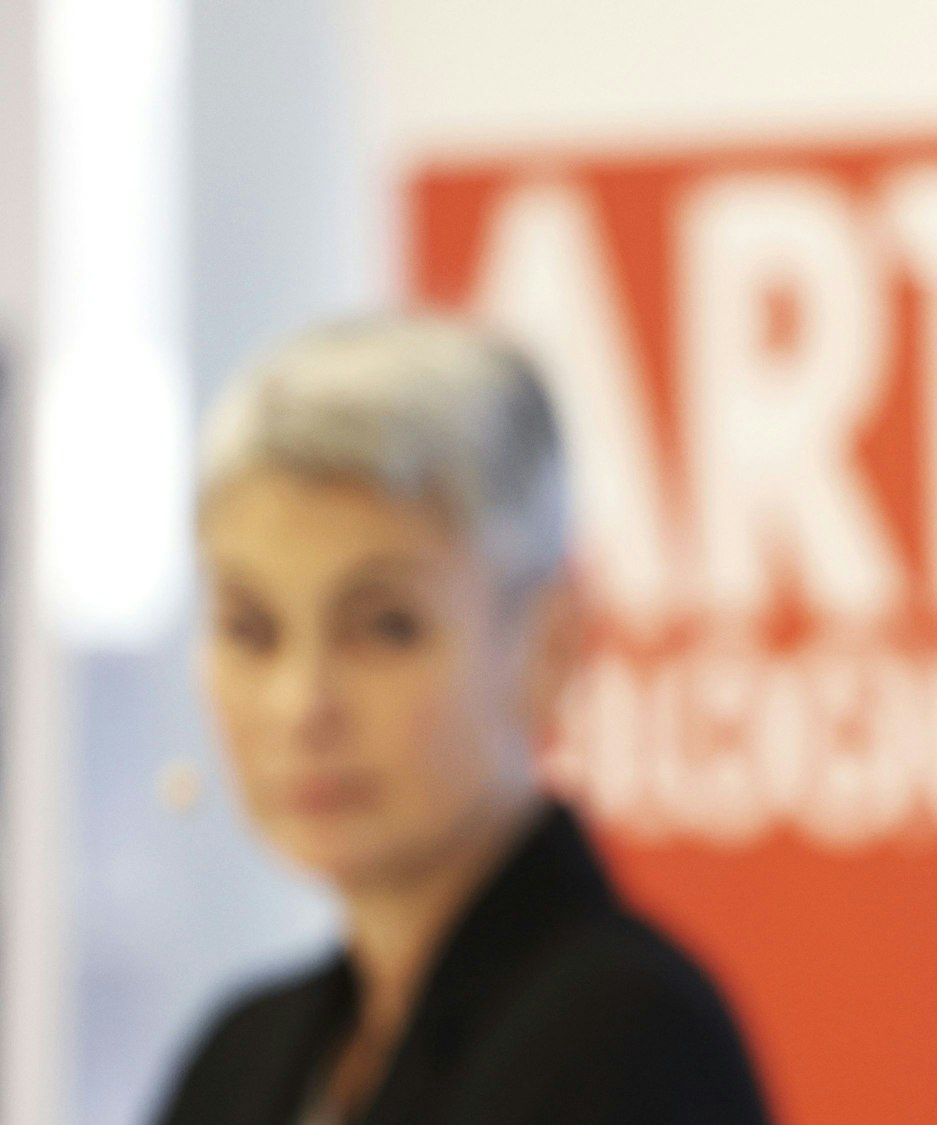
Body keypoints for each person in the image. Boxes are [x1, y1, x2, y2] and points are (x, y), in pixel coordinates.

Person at [159, 316, 769, 1124]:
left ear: (551, 644)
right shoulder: (241, 1057)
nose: (301, 703)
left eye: (385, 627)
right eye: (251, 628)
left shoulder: (629, 1041)